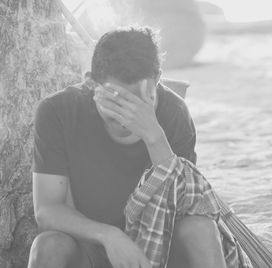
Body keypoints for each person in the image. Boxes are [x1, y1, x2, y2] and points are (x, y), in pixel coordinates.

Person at [28, 26, 228, 268]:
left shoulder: (173, 113)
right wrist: (110, 237)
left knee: (201, 229)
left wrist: (154, 136)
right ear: (91, 84)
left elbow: (190, 209)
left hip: (160, 248)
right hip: (91, 248)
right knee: (48, 246)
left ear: (157, 81)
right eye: (116, 106)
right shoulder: (58, 112)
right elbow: (48, 209)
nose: (127, 119)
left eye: (141, 104)